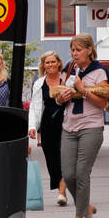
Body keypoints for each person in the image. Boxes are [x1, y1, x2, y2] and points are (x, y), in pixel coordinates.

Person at [57, 33, 109, 218]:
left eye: (78, 50)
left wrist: (83, 90)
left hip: (91, 126)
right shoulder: (69, 69)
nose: (74, 53)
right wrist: (62, 97)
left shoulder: (100, 71)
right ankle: (85, 207)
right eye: (72, 50)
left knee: (81, 173)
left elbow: (104, 103)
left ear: (89, 50)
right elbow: (58, 97)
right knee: (68, 174)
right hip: (69, 126)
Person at [28, 51, 69, 207]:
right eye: (47, 62)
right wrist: (32, 126)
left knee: (63, 157)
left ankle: (62, 193)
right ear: (43, 65)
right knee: (52, 160)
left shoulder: (68, 80)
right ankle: (61, 189)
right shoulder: (39, 83)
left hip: (66, 123)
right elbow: (35, 106)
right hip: (47, 125)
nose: (50, 65)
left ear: (59, 63)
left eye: (53, 62)